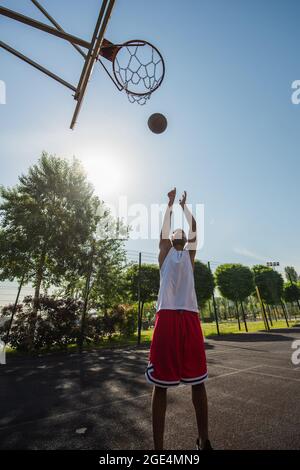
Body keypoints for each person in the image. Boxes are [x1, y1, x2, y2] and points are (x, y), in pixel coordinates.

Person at [145, 188, 212, 450]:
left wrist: (185, 207)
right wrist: (170, 206)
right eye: (177, 232)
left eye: (182, 233)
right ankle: (158, 449)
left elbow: (194, 227)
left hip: (190, 318)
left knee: (199, 382)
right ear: (172, 238)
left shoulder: (190, 256)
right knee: (161, 385)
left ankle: (203, 440)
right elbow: (163, 233)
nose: (181, 234)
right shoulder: (165, 254)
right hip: (168, 317)